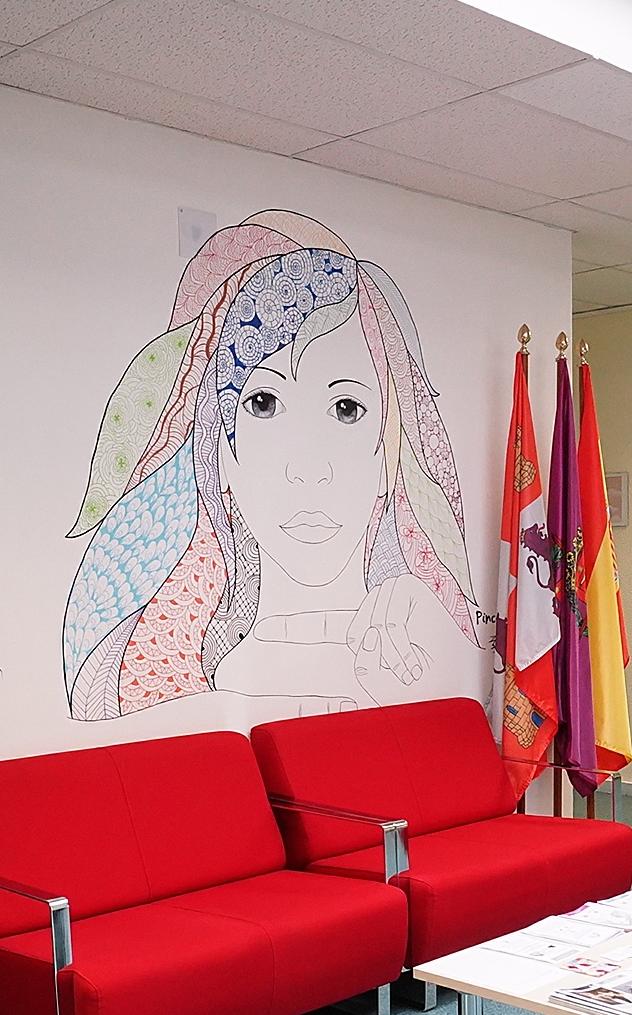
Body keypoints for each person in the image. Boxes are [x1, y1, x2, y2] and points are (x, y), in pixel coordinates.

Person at [61, 211, 484, 719]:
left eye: (346, 408)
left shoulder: (436, 644)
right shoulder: (150, 689)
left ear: (389, 453)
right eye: (263, 402)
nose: (308, 468)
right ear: (218, 449)